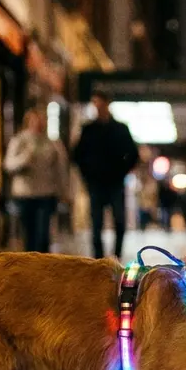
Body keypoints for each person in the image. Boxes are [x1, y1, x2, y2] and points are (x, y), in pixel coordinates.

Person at [72, 91, 139, 259]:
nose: (98, 107)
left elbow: (133, 154)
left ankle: (116, 254)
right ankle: (99, 257)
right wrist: (87, 175)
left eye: (100, 103)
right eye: (95, 104)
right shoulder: (88, 130)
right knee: (96, 223)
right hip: (95, 183)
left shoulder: (120, 129)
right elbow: (77, 155)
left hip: (115, 182)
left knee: (119, 221)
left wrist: (122, 171)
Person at [4, 110, 68, 253]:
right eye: (34, 121)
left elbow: (60, 169)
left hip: (46, 193)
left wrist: (64, 191)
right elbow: (9, 164)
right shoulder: (19, 140)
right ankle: (31, 264)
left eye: (41, 121)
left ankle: (43, 264)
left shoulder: (52, 143)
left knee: (43, 234)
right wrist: (25, 158)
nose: (38, 125)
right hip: (25, 194)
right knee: (29, 234)